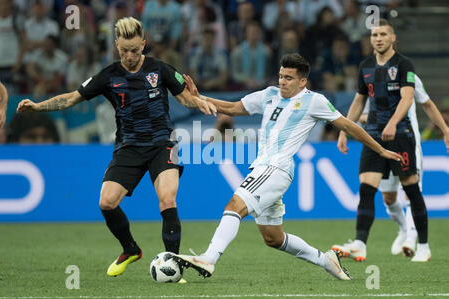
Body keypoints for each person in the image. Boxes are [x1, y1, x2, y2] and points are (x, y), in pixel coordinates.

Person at [173, 53, 403, 280]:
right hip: (264, 167)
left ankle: (209, 258)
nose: (282, 81)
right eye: (281, 76)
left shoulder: (315, 101)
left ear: (303, 81)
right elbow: (233, 108)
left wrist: (380, 150)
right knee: (273, 238)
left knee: (234, 205)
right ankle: (326, 260)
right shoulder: (269, 95)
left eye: (289, 78)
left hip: (276, 167)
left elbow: (349, 126)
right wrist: (200, 97)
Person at [17, 17, 216, 278]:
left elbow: (186, 99)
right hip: (128, 147)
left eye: (135, 50)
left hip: (163, 144)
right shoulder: (108, 76)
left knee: (167, 198)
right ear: (116, 46)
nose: (130, 56)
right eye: (124, 51)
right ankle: (130, 249)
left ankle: (174, 265)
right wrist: (39, 105)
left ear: (143, 44)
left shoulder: (160, 69)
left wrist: (197, 100)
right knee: (106, 202)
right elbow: (71, 98)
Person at [332, 19, 432, 262]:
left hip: (400, 136)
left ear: (393, 38)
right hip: (373, 136)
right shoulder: (365, 66)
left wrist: (393, 123)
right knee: (367, 189)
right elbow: (359, 101)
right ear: (370, 39)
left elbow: (407, 98)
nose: (378, 38)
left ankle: (424, 246)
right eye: (374, 34)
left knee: (411, 189)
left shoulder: (404, 64)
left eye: (383, 34)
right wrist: (345, 129)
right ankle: (359, 243)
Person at [359, 74, 449, 258]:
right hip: (382, 144)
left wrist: (445, 129)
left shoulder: (409, 76)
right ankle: (404, 229)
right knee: (389, 198)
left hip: (408, 141)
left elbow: (427, 102)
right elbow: (363, 113)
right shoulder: (370, 76)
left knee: (411, 192)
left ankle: (412, 241)